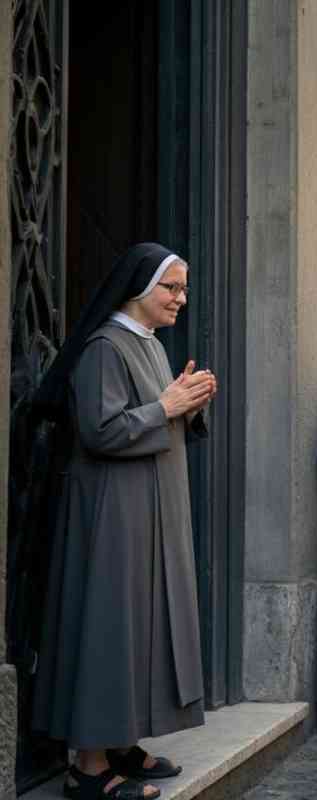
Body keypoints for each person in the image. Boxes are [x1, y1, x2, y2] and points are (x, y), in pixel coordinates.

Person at [32, 243, 216, 800]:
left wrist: (187, 402)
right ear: (138, 288)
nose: (182, 298)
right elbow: (101, 431)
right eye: (172, 288)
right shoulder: (105, 347)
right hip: (113, 512)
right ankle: (87, 768)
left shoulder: (150, 346)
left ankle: (120, 741)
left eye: (183, 288)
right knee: (110, 625)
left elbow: (158, 412)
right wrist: (168, 406)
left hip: (152, 508)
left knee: (143, 623)